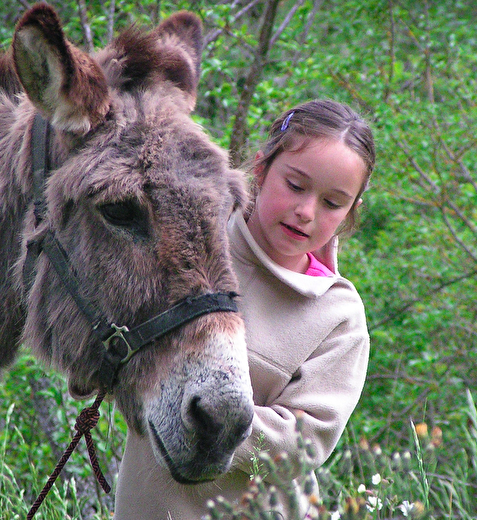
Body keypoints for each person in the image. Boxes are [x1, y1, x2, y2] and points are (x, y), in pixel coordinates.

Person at [114, 99, 375, 519]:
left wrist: (208, 414)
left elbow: (305, 443)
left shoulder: (338, 316)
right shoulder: (189, 244)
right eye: (295, 185)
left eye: (332, 203)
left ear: (350, 213)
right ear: (261, 168)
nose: (306, 211)